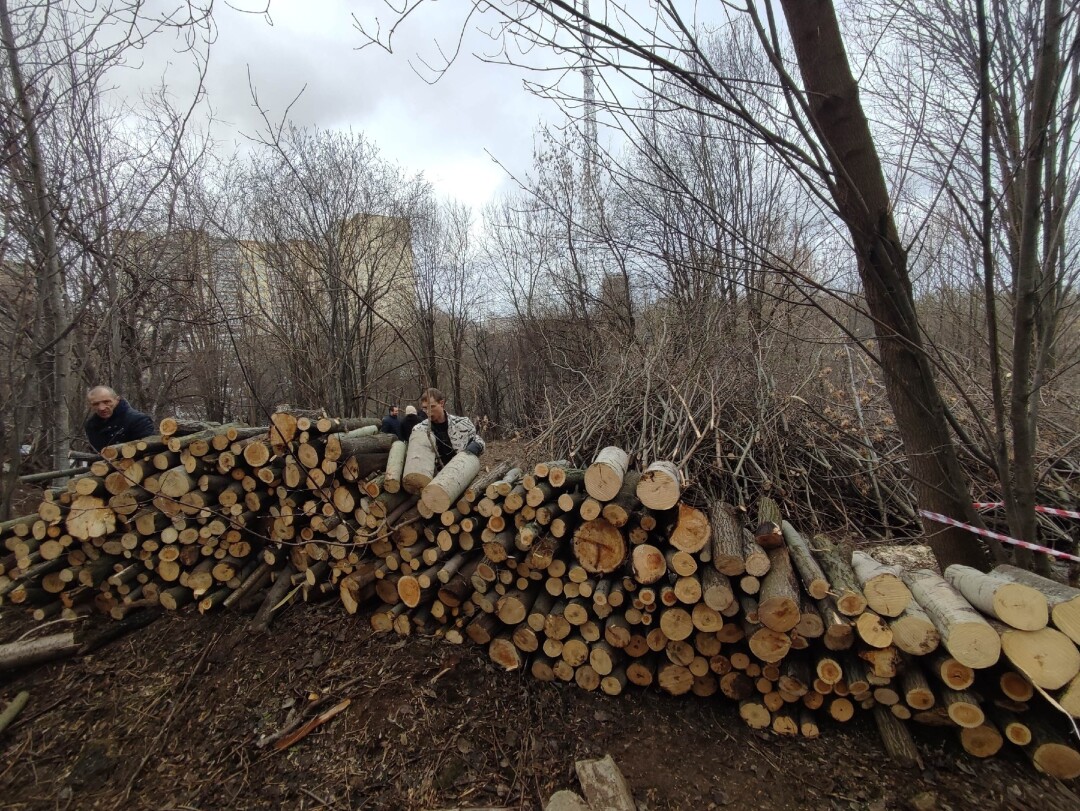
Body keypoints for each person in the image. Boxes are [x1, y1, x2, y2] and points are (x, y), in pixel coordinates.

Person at [412, 387, 484, 466]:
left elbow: (479, 441)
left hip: (462, 471)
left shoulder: (463, 424)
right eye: (425, 408)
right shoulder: (419, 430)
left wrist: (470, 451)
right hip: (434, 476)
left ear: (442, 403)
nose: (428, 412)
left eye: (432, 407)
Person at [84, 386, 156, 452]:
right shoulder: (91, 425)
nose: (101, 408)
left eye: (106, 402)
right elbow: (95, 455)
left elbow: (149, 452)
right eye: (96, 404)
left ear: (117, 400)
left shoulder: (138, 420)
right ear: (90, 405)